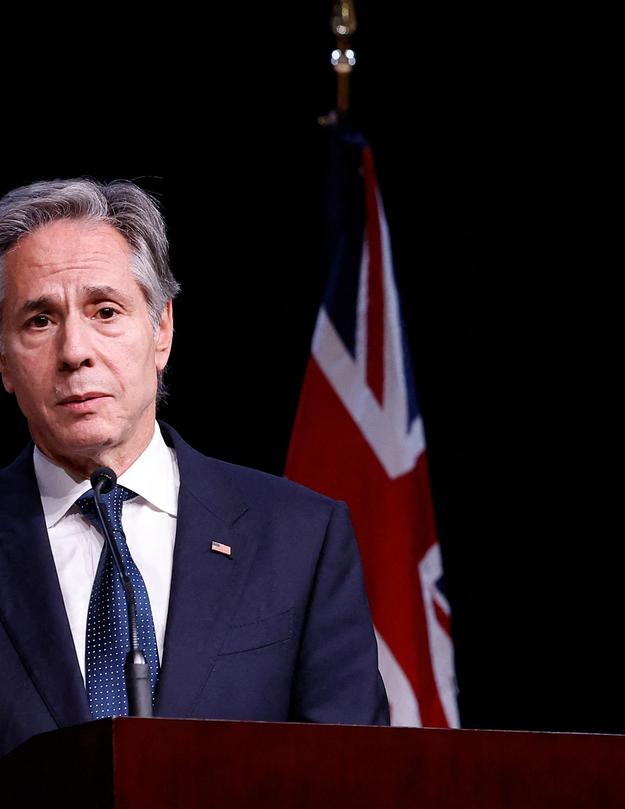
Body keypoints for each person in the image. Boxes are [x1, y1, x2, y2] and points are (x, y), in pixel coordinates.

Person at [0, 177, 387, 757]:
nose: (75, 350)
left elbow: (358, 785)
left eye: (106, 311)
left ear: (161, 331)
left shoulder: (299, 539)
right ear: (4, 360)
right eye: (39, 321)